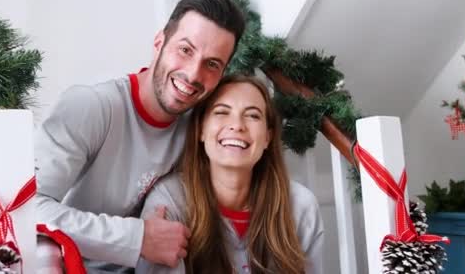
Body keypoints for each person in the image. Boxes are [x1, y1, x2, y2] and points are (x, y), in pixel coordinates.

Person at [35, 0, 246, 272]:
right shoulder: (92, 107)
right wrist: (137, 238)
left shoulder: (201, 129)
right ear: (159, 43)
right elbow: (25, 210)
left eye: (212, 64)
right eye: (185, 50)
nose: (194, 74)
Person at [135, 75, 324, 274]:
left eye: (252, 115)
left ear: (267, 137)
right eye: (222, 112)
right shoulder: (169, 201)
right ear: (201, 130)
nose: (237, 125)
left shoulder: (301, 207)